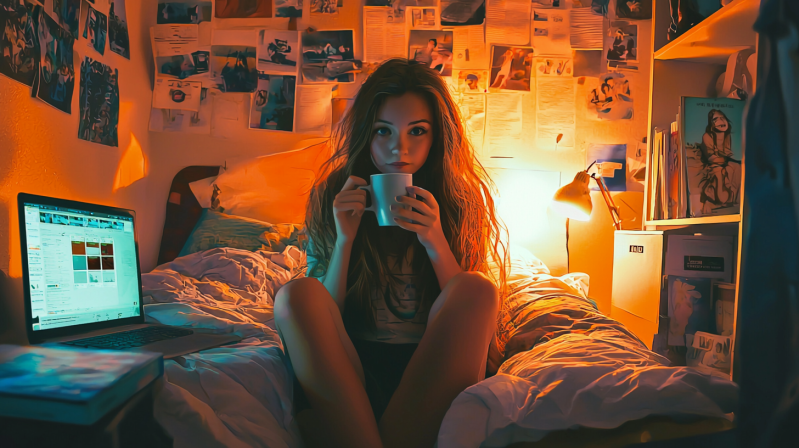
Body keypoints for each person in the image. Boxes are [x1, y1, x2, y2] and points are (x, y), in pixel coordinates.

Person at [274, 58, 507, 448]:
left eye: (418, 131)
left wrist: (434, 239)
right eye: (384, 131)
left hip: (434, 363)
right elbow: (326, 315)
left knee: (478, 289)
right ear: (367, 133)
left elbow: (469, 315)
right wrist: (345, 240)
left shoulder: (460, 199)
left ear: (437, 137)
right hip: (350, 365)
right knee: (296, 295)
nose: (400, 147)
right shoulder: (336, 193)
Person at [699, 109, 741, 211]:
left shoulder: (727, 135)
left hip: (725, 162)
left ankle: (732, 199)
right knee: (719, 174)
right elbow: (711, 158)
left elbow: (727, 152)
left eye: (722, 118)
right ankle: (717, 200)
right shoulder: (707, 136)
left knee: (737, 168)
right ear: (711, 123)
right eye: (715, 119)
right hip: (714, 165)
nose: (720, 121)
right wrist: (724, 159)